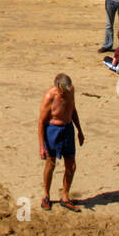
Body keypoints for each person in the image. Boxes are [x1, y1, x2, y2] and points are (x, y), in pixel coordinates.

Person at [38, 73, 84, 211]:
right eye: (64, 91)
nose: (66, 93)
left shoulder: (71, 90)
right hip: (53, 130)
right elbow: (41, 122)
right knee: (51, 163)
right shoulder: (49, 96)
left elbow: (73, 109)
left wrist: (79, 131)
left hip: (68, 129)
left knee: (71, 165)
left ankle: (65, 197)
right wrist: (41, 146)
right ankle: (46, 196)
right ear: (57, 87)